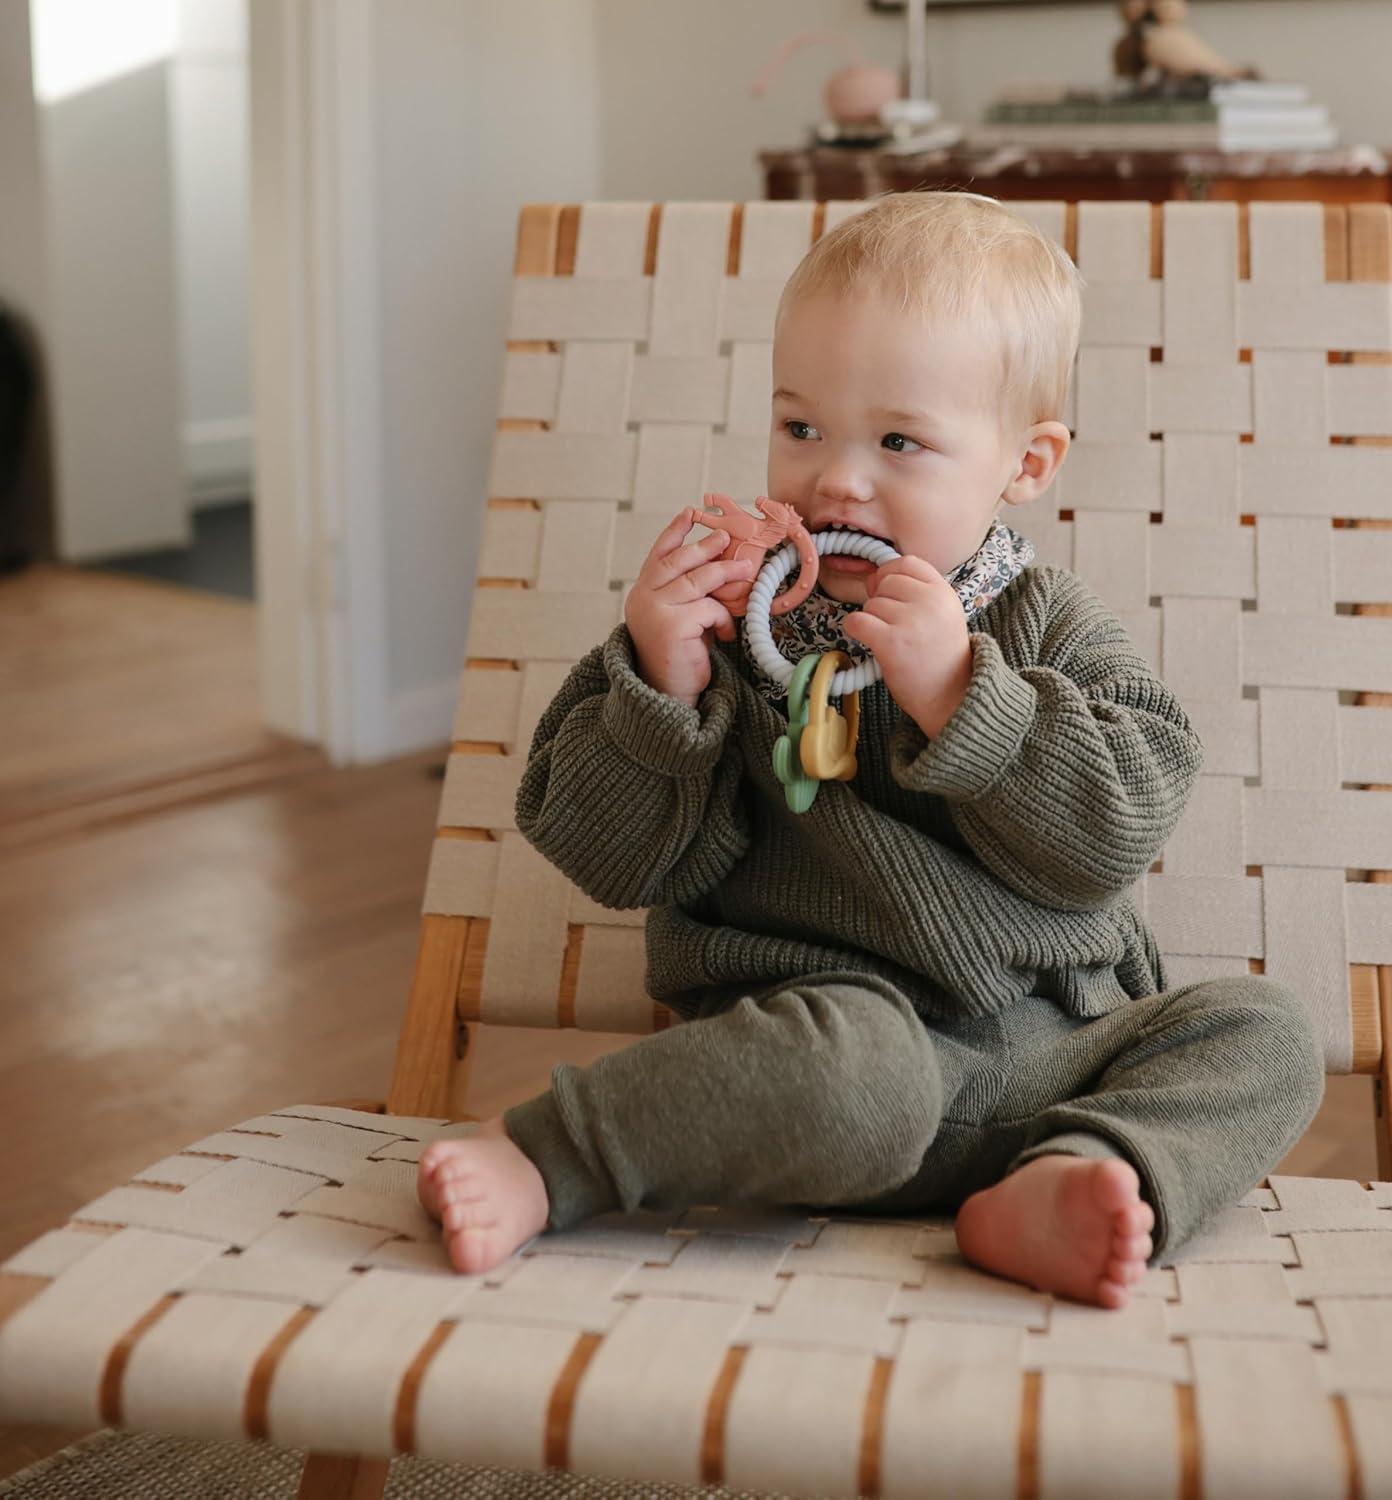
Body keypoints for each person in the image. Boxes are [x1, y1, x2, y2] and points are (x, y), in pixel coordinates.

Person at [417, 191, 1325, 1308]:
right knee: (858, 1070)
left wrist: (961, 698)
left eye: (898, 441)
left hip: (1052, 1057)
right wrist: (661, 679)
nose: (837, 480)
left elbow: (1114, 834)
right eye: (802, 428)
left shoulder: (1048, 624)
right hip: (822, 1058)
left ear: (1025, 463)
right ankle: (547, 1155)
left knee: (1265, 1033)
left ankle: (1074, 1178)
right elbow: (611, 858)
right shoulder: (733, 634)